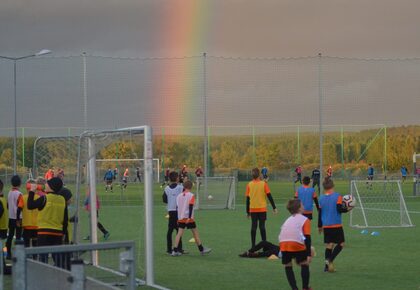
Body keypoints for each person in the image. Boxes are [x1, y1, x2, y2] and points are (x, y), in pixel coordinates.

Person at [27, 177, 68, 269]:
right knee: (57, 258)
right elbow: (65, 219)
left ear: (51, 186)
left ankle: (43, 274)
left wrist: (32, 191)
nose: (45, 184)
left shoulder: (45, 198)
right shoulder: (62, 199)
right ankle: (60, 275)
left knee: (43, 257)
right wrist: (64, 233)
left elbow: (30, 205)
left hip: (44, 232)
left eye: (47, 183)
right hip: (58, 233)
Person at [318, 178, 352, 273]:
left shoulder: (321, 198)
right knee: (341, 244)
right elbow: (339, 209)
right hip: (336, 225)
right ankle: (330, 260)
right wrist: (348, 209)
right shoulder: (338, 196)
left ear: (324, 187)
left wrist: (319, 226)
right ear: (333, 186)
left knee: (329, 245)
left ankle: (326, 267)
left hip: (326, 226)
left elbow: (320, 213)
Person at [279, 199, 312, 290]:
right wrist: (308, 253)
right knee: (304, 263)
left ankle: (294, 288)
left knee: (288, 265)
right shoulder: (305, 219)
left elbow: (286, 232)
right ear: (299, 208)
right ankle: (305, 287)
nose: (303, 206)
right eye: (302, 204)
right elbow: (307, 237)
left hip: (283, 243)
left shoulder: (288, 220)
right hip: (295, 243)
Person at [171, 181, 211, 256]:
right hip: (189, 218)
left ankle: (174, 250)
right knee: (195, 233)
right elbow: (190, 206)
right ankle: (201, 249)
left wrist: (178, 218)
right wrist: (189, 217)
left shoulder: (179, 196)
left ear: (184, 186)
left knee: (179, 234)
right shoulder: (191, 195)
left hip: (181, 218)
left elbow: (177, 207)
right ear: (191, 187)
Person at [246, 168, 277, 248]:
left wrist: (247, 211)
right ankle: (265, 247)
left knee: (253, 227)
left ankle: (253, 246)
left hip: (253, 209)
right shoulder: (264, 184)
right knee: (262, 227)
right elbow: (269, 196)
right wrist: (274, 207)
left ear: (252, 175)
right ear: (259, 175)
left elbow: (247, 199)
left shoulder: (249, 184)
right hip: (262, 209)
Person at [163, 171, 184, 254]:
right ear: (177, 178)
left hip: (171, 211)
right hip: (178, 211)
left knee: (170, 230)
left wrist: (171, 200)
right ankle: (179, 249)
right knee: (179, 230)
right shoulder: (180, 187)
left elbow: (164, 200)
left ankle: (169, 249)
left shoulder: (166, 188)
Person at [6, 175, 23, 259]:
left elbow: (7, 206)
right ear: (20, 183)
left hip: (11, 217)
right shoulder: (19, 194)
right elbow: (20, 207)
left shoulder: (9, 193)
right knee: (19, 236)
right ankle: (18, 253)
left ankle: (8, 253)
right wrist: (18, 219)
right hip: (18, 218)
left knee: (10, 235)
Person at [0, 179, 11, 275]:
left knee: (2, 247)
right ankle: (4, 262)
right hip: (4, 227)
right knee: (3, 247)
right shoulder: (3, 199)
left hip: (1, 228)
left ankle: (3, 265)